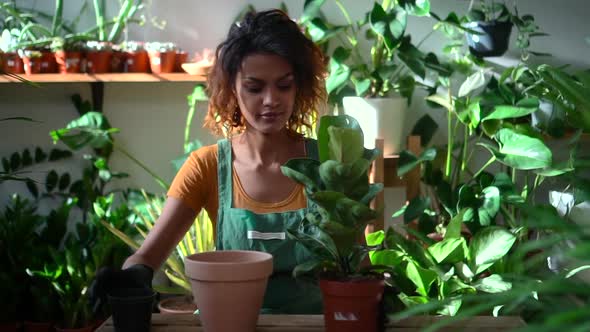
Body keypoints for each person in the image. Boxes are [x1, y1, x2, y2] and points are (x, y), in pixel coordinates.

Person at [91, 9, 327, 315]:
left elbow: (355, 265)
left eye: (284, 86)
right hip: (227, 321)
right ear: (232, 88)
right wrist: (131, 276)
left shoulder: (327, 163)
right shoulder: (207, 166)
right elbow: (147, 256)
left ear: (300, 87)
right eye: (254, 88)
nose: (271, 100)